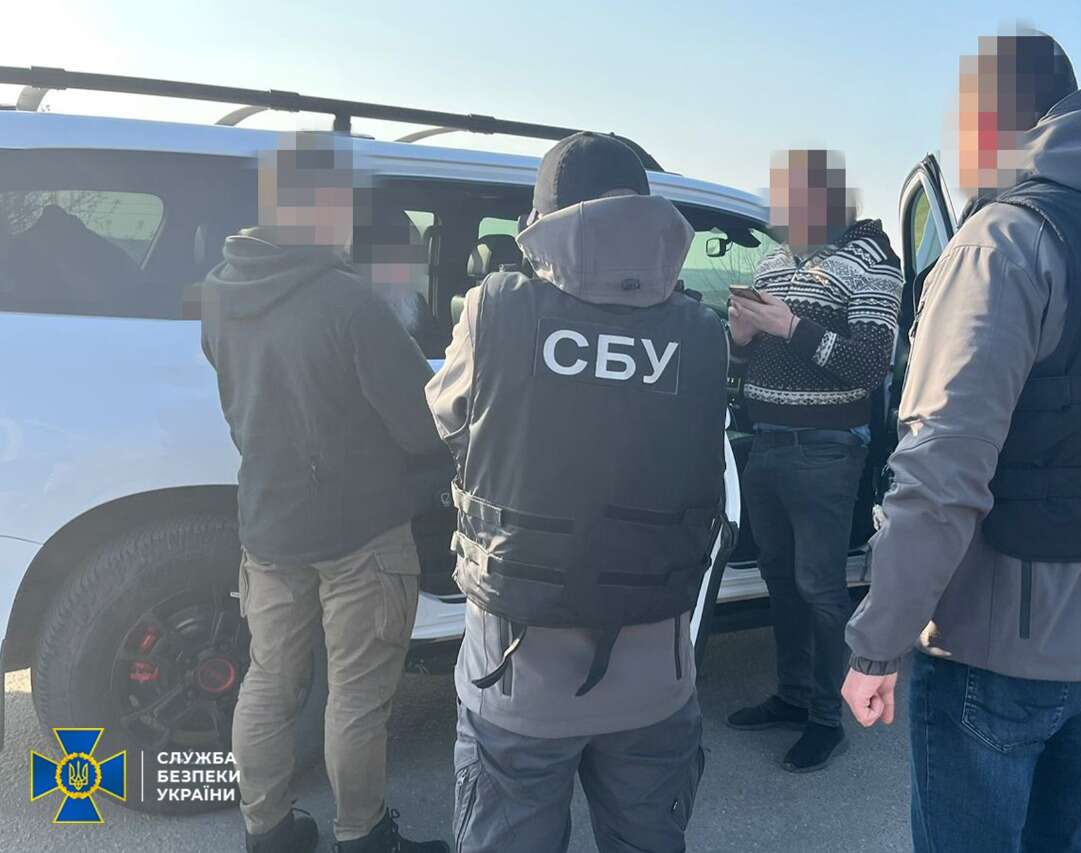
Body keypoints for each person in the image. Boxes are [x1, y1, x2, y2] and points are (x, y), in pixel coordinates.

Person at [840, 31, 1081, 853]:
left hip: (993, 650)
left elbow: (942, 469)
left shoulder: (1004, 240)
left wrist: (877, 641)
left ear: (988, 123)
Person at [426, 131, 729, 853]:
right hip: (657, 671)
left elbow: (447, 420)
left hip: (517, 674)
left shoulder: (493, 308)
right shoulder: (703, 329)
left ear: (541, 223)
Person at [201, 133, 446, 853]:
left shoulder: (219, 292)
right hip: (360, 534)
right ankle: (362, 836)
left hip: (268, 525)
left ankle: (268, 830)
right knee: (357, 695)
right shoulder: (350, 301)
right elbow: (422, 424)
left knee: (269, 681)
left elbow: (233, 395)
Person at [725, 149, 903, 773]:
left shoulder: (874, 263)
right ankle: (793, 694)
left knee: (820, 588)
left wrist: (790, 326)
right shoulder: (775, 260)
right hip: (766, 444)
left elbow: (870, 366)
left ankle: (828, 719)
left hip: (827, 451)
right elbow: (747, 361)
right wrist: (740, 341)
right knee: (778, 579)